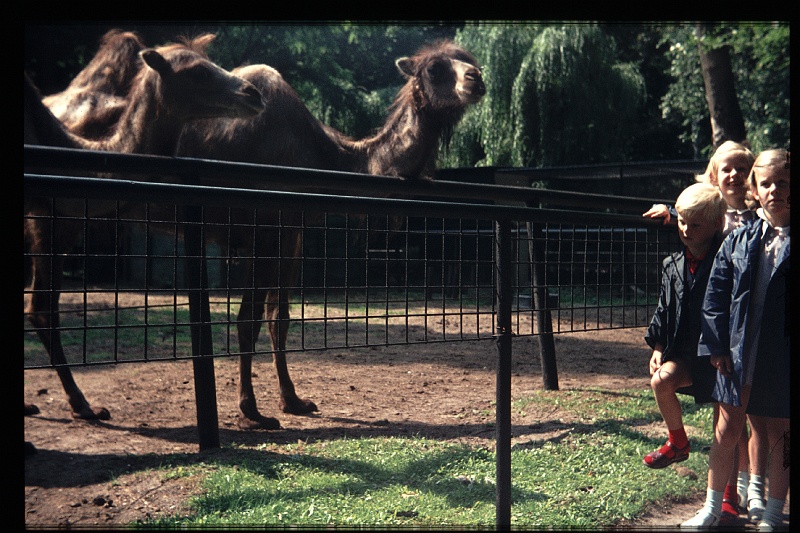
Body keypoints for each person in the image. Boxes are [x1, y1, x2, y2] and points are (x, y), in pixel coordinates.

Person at [644, 141, 765, 523]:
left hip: (733, 338)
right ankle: (692, 454)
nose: (733, 175)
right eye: (725, 168)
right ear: (713, 173)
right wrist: (671, 209)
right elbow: (691, 212)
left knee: (736, 422)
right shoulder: (697, 230)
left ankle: (742, 491)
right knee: (678, 390)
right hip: (694, 346)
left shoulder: (750, 225)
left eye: (743, 169)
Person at [682, 148, 790, 529]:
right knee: (727, 428)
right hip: (738, 352)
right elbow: (715, 296)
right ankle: (712, 508)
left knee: (777, 431)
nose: (775, 189)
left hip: (782, 354)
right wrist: (715, 346)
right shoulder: (739, 240)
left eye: (784, 182)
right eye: (767, 183)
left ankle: (772, 513)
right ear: (755, 191)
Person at [643, 183, 727, 474]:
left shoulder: (726, 259)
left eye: (696, 224)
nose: (687, 230)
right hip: (685, 353)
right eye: (681, 221)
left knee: (727, 428)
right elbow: (664, 309)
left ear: (717, 225)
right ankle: (678, 442)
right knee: (661, 381)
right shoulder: (673, 264)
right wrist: (658, 346)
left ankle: (729, 494)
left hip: (719, 355)